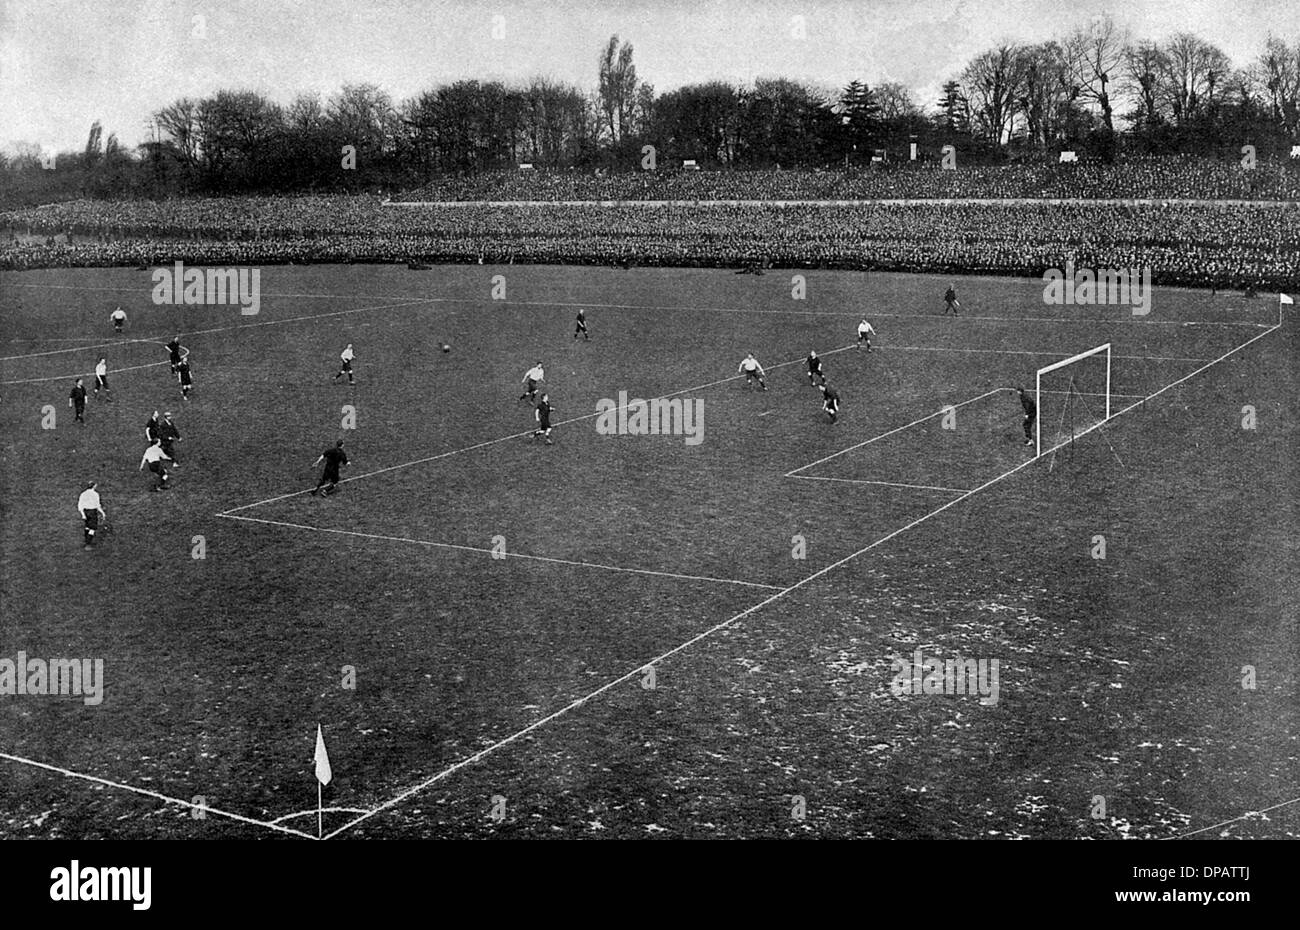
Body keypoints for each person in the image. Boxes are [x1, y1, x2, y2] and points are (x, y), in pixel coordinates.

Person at [77, 481, 106, 549]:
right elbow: (97, 505)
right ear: (94, 486)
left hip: (86, 511)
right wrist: (103, 513)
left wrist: (83, 514)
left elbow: (80, 505)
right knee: (92, 528)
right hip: (92, 512)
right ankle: (88, 543)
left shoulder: (83, 494)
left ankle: (86, 540)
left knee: (87, 527)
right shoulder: (95, 494)